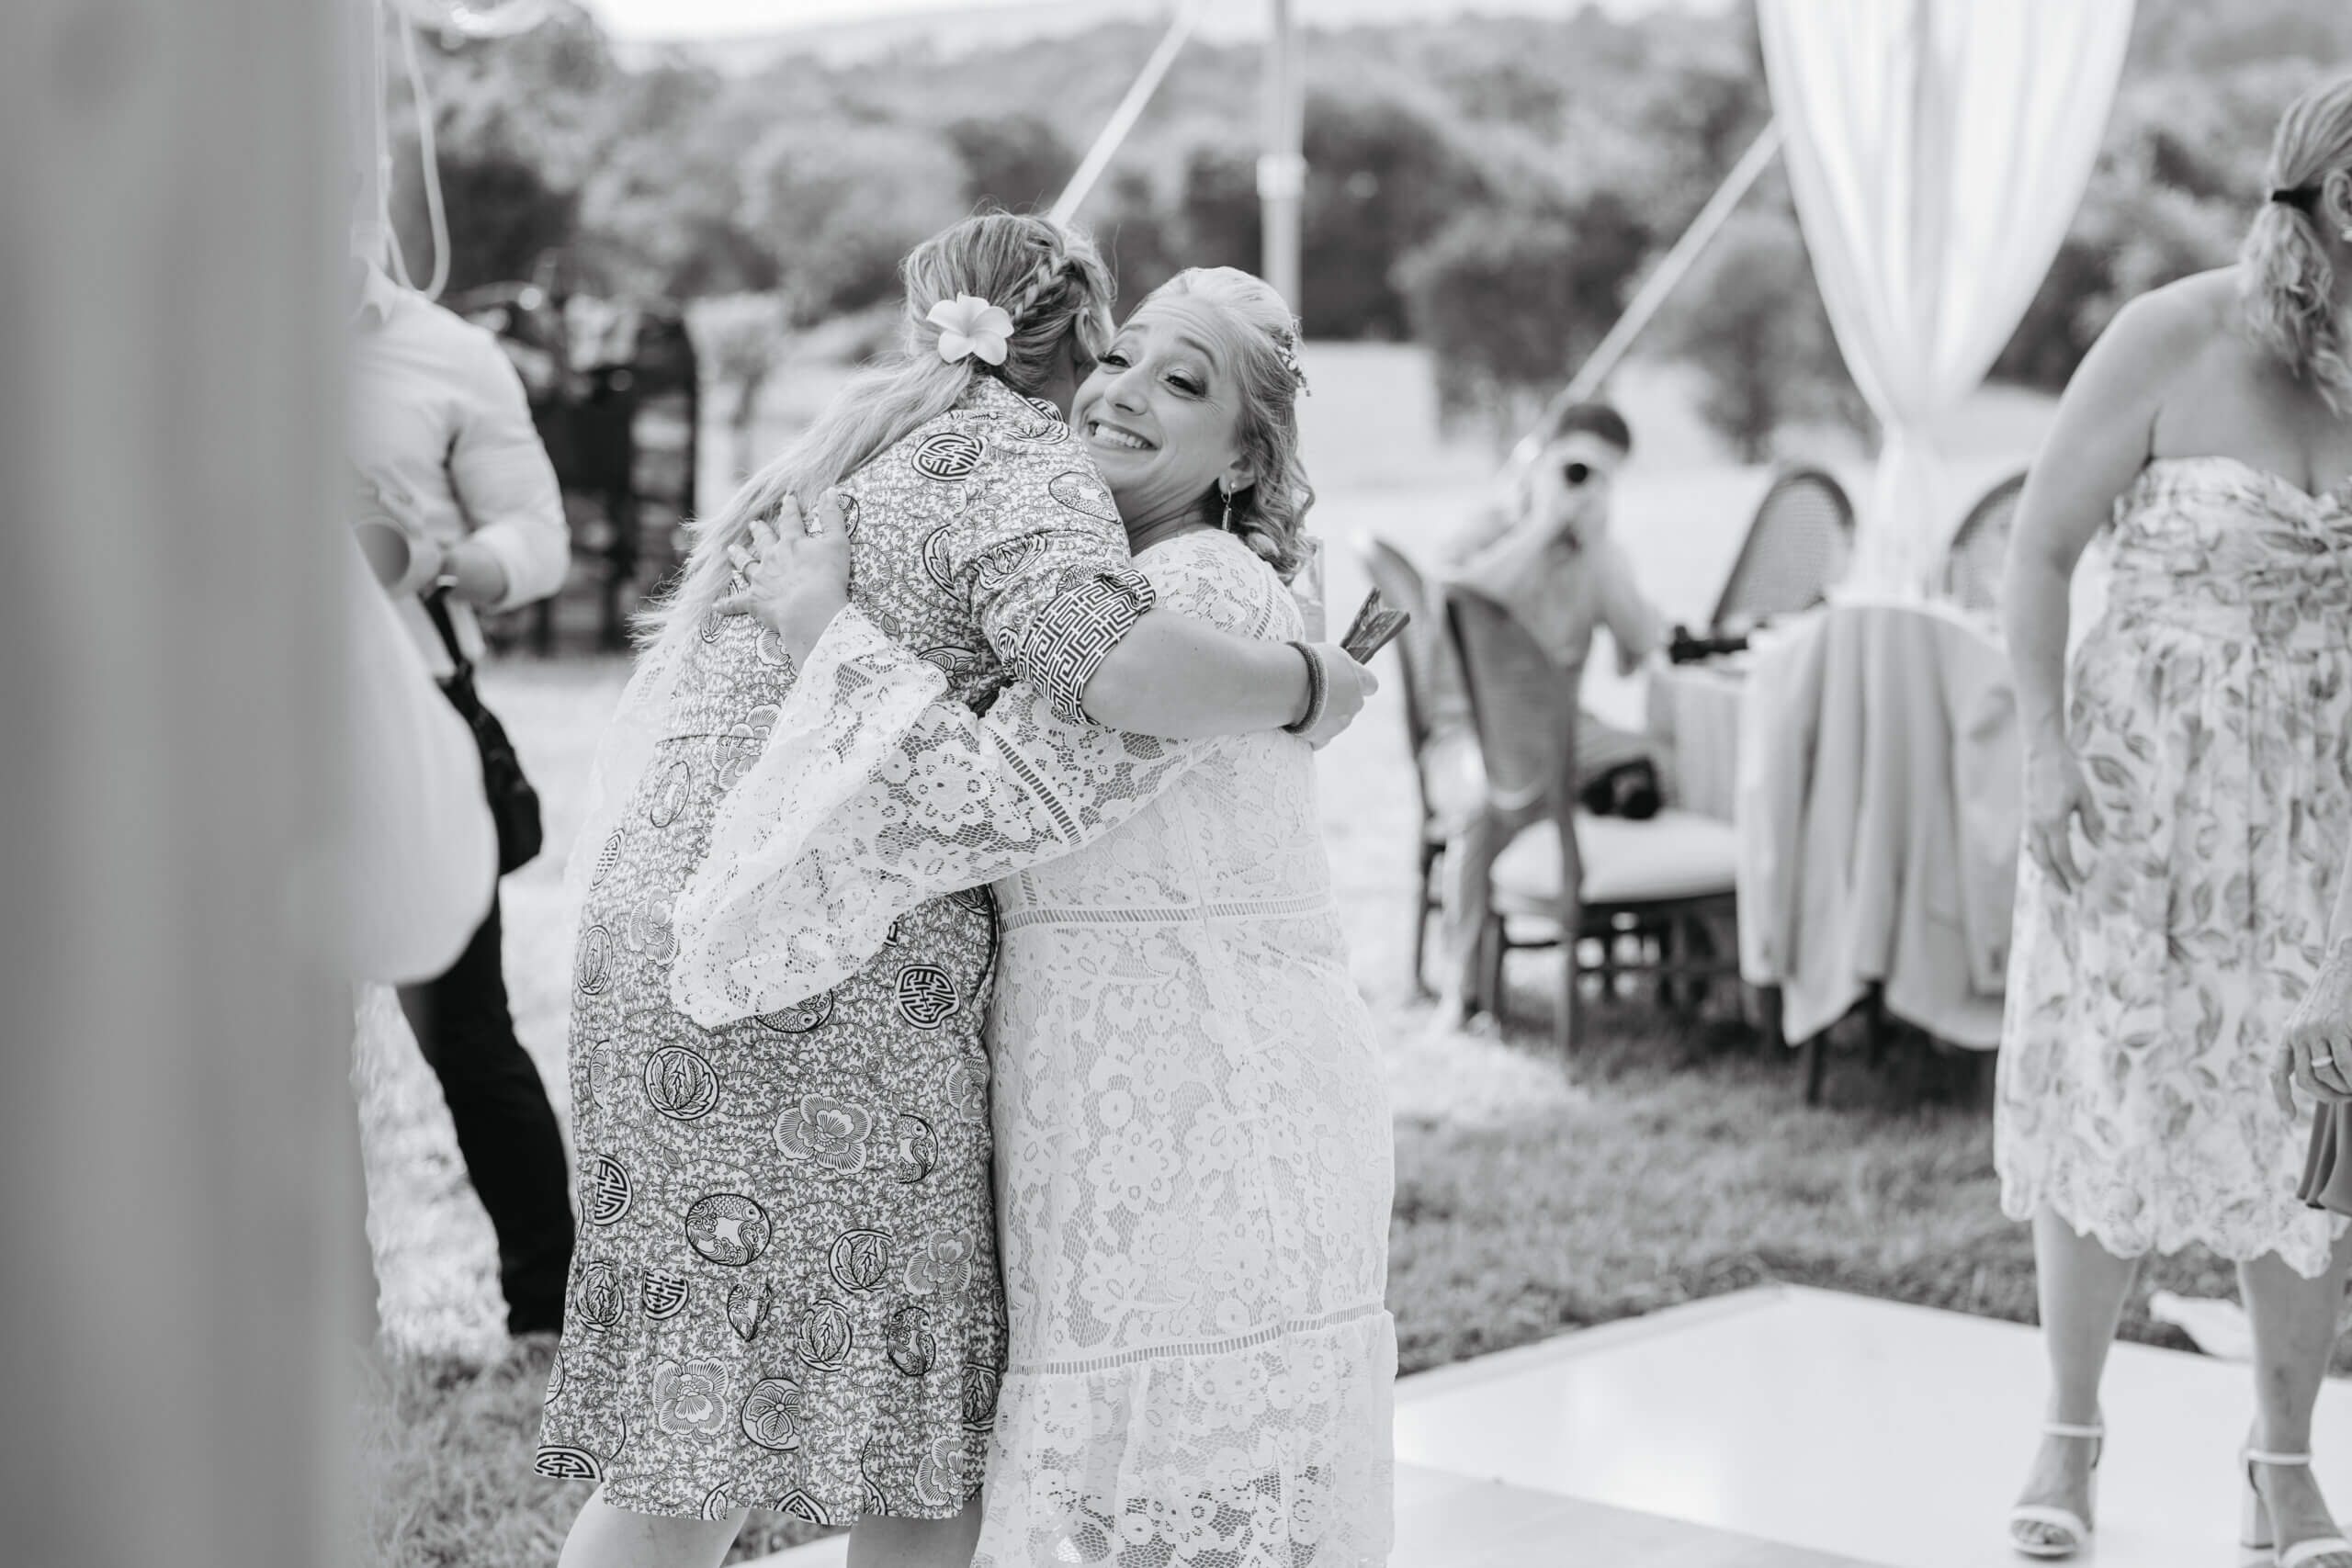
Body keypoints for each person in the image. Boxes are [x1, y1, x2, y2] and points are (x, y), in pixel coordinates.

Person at [537, 216, 1374, 1568]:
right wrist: (1312, 683)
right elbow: (1062, 724)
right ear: (1071, 344)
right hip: (810, 983)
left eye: (1181, 380)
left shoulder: (889, 443)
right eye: (1124, 357)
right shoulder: (1027, 467)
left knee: (703, 1433)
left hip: (682, 959)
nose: (1123, 391)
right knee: (907, 1460)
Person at [1996, 76, 2352, 1565]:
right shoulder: (2175, 331)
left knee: (2309, 1116)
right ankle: (2068, 1436)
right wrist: (2043, 752)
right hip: (2139, 793)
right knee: (2109, 1102)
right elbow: (2038, 545)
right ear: (2312, 193)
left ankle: (2282, 1461)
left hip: (2321, 810)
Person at [346, 254, 578, 1337]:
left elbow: (538, 537)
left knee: (465, 1028)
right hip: (232, 715)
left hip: (411, 709)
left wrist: (450, 562)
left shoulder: (446, 351)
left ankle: (547, 1307)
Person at [1432, 400, 1667, 1022]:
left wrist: (1603, 554)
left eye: (1602, 476)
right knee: (1485, 806)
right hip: (1474, 727)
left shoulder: (1596, 551)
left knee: (1672, 762)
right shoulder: (1489, 527)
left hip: (1567, 729)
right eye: (1576, 469)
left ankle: (1686, 967)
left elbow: (1640, 648)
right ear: (1540, 456)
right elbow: (1457, 602)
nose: (1584, 488)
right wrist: (1539, 528)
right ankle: (1466, 983)